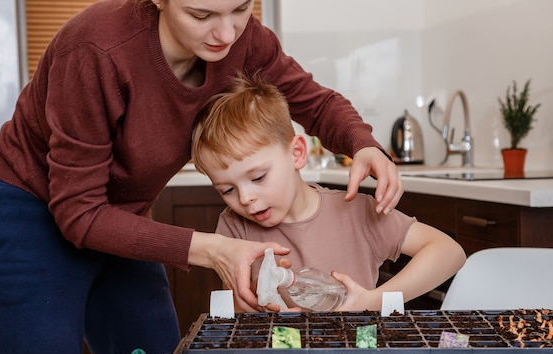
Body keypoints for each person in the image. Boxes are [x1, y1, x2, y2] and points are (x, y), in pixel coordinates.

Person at [0, 0, 404, 354]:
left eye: (240, 8)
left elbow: (316, 102)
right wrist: (214, 248)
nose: (227, 32)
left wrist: (362, 144)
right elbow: (78, 212)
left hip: (122, 219)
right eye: (202, 15)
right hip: (31, 214)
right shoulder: (95, 50)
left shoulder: (245, 40)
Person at [191, 73, 466, 311]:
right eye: (227, 189)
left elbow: (449, 252)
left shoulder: (355, 212)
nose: (245, 198)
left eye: (258, 177)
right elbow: (234, 315)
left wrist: (372, 300)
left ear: (297, 153)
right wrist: (255, 303)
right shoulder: (233, 229)